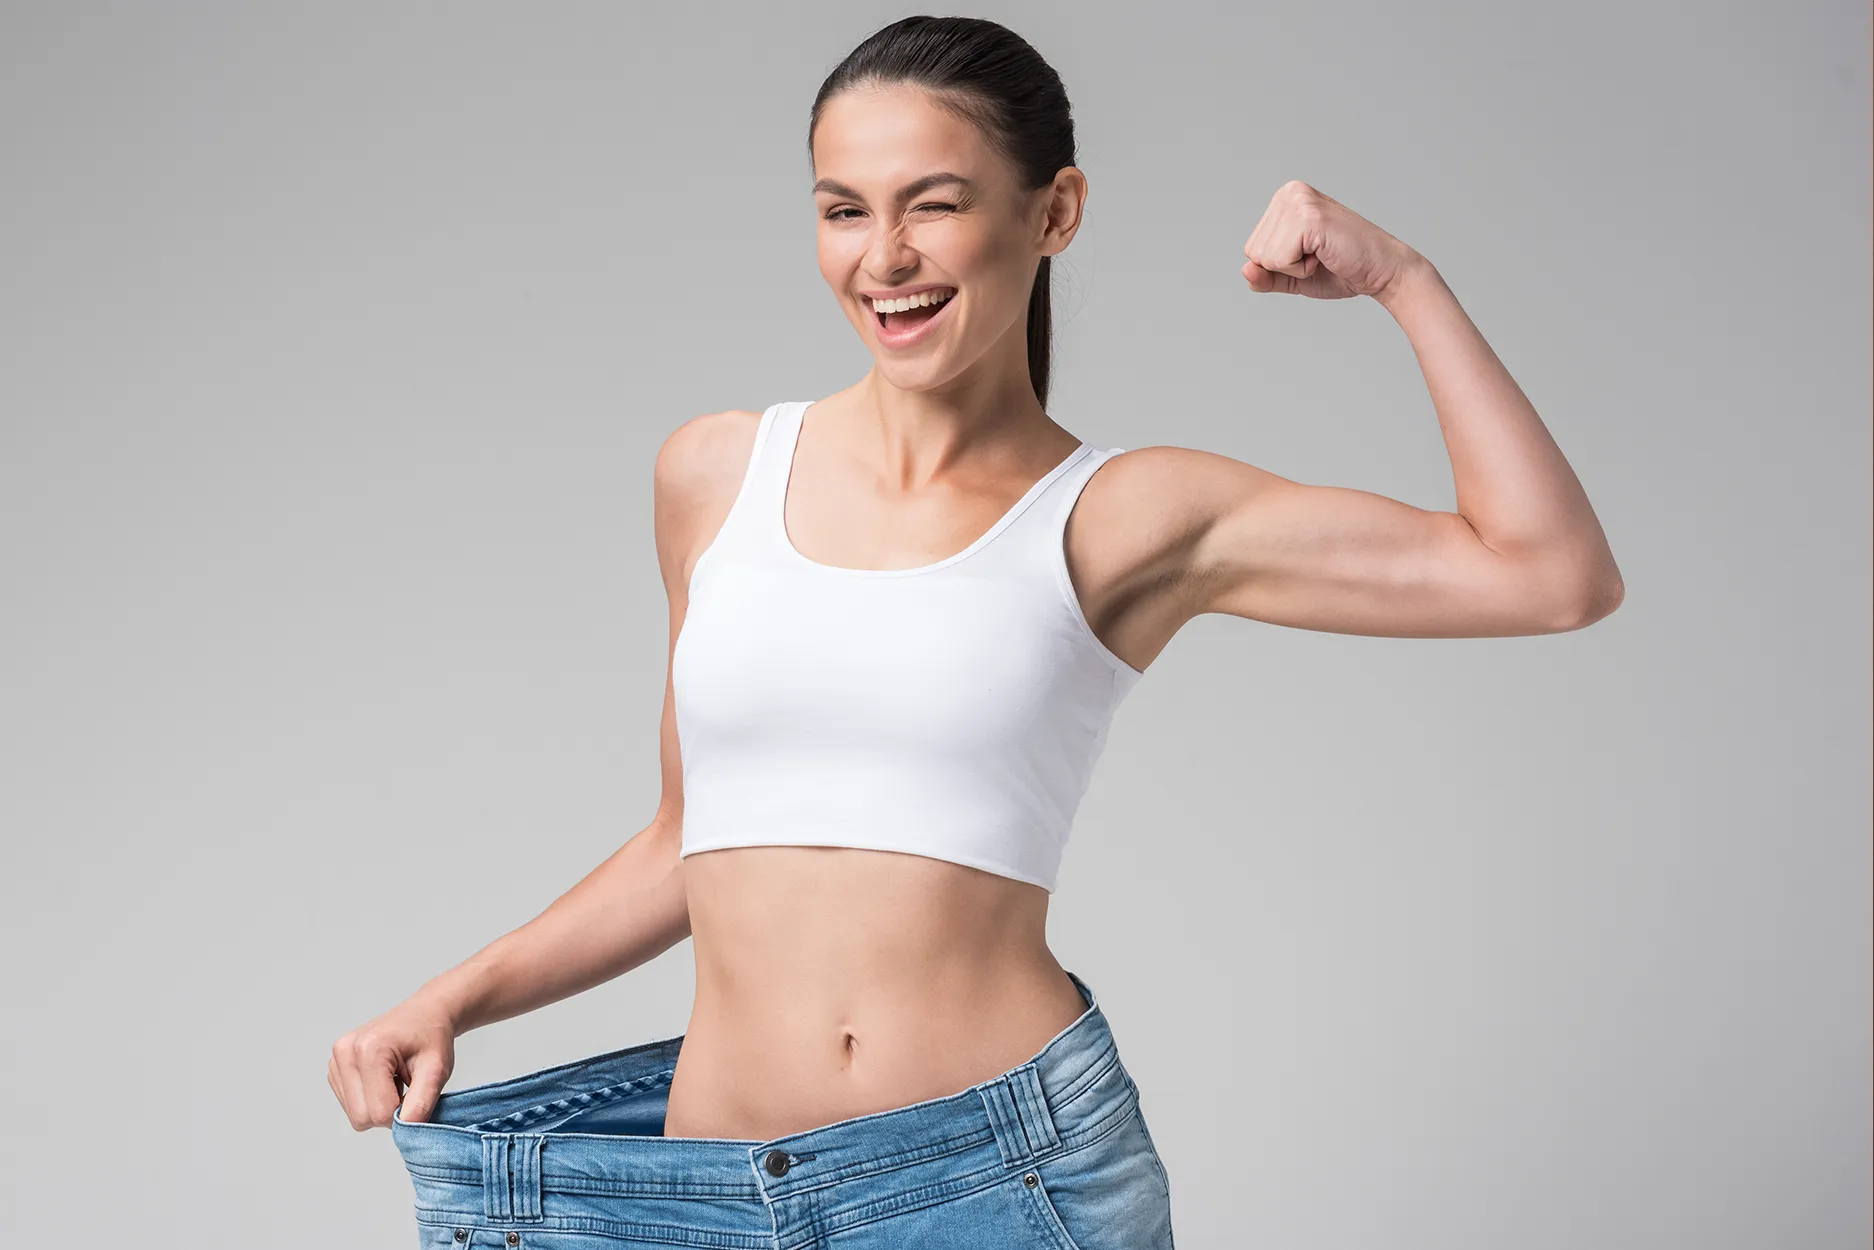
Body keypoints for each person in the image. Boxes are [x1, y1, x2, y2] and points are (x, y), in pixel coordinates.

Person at [330, 15, 1623, 1248]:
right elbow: (687, 841)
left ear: (1052, 211)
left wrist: (1405, 280)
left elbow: (1547, 572)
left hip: (991, 1182)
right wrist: (454, 994)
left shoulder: (1123, 516)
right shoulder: (713, 473)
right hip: (698, 1188)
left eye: (931, 202)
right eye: (844, 209)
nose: (881, 256)